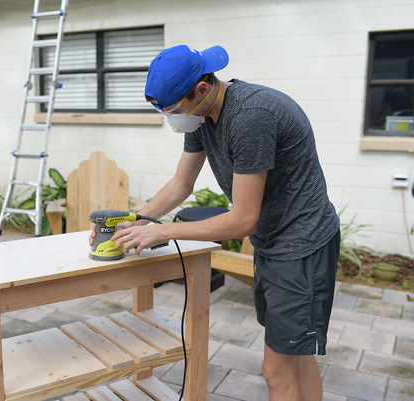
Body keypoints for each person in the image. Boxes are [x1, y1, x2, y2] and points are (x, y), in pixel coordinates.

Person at [90, 44, 340, 401]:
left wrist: (161, 230)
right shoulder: (202, 115)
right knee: (296, 354)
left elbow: (242, 220)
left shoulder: (251, 116)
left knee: (276, 368)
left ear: (203, 89)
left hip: (303, 245)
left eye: (175, 109)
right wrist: (133, 221)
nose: (174, 118)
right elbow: (181, 185)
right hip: (275, 242)